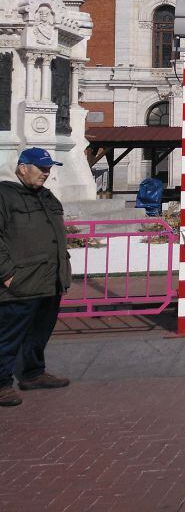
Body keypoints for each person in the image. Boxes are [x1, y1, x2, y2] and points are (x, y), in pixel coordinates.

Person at [0, 148, 72, 407]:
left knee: (39, 333)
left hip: (50, 279)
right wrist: (7, 274)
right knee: (8, 335)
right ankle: (1, 384)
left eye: (48, 168)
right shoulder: (5, 195)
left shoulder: (46, 196)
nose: (46, 172)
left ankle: (33, 373)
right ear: (22, 168)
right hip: (20, 281)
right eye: (41, 168)